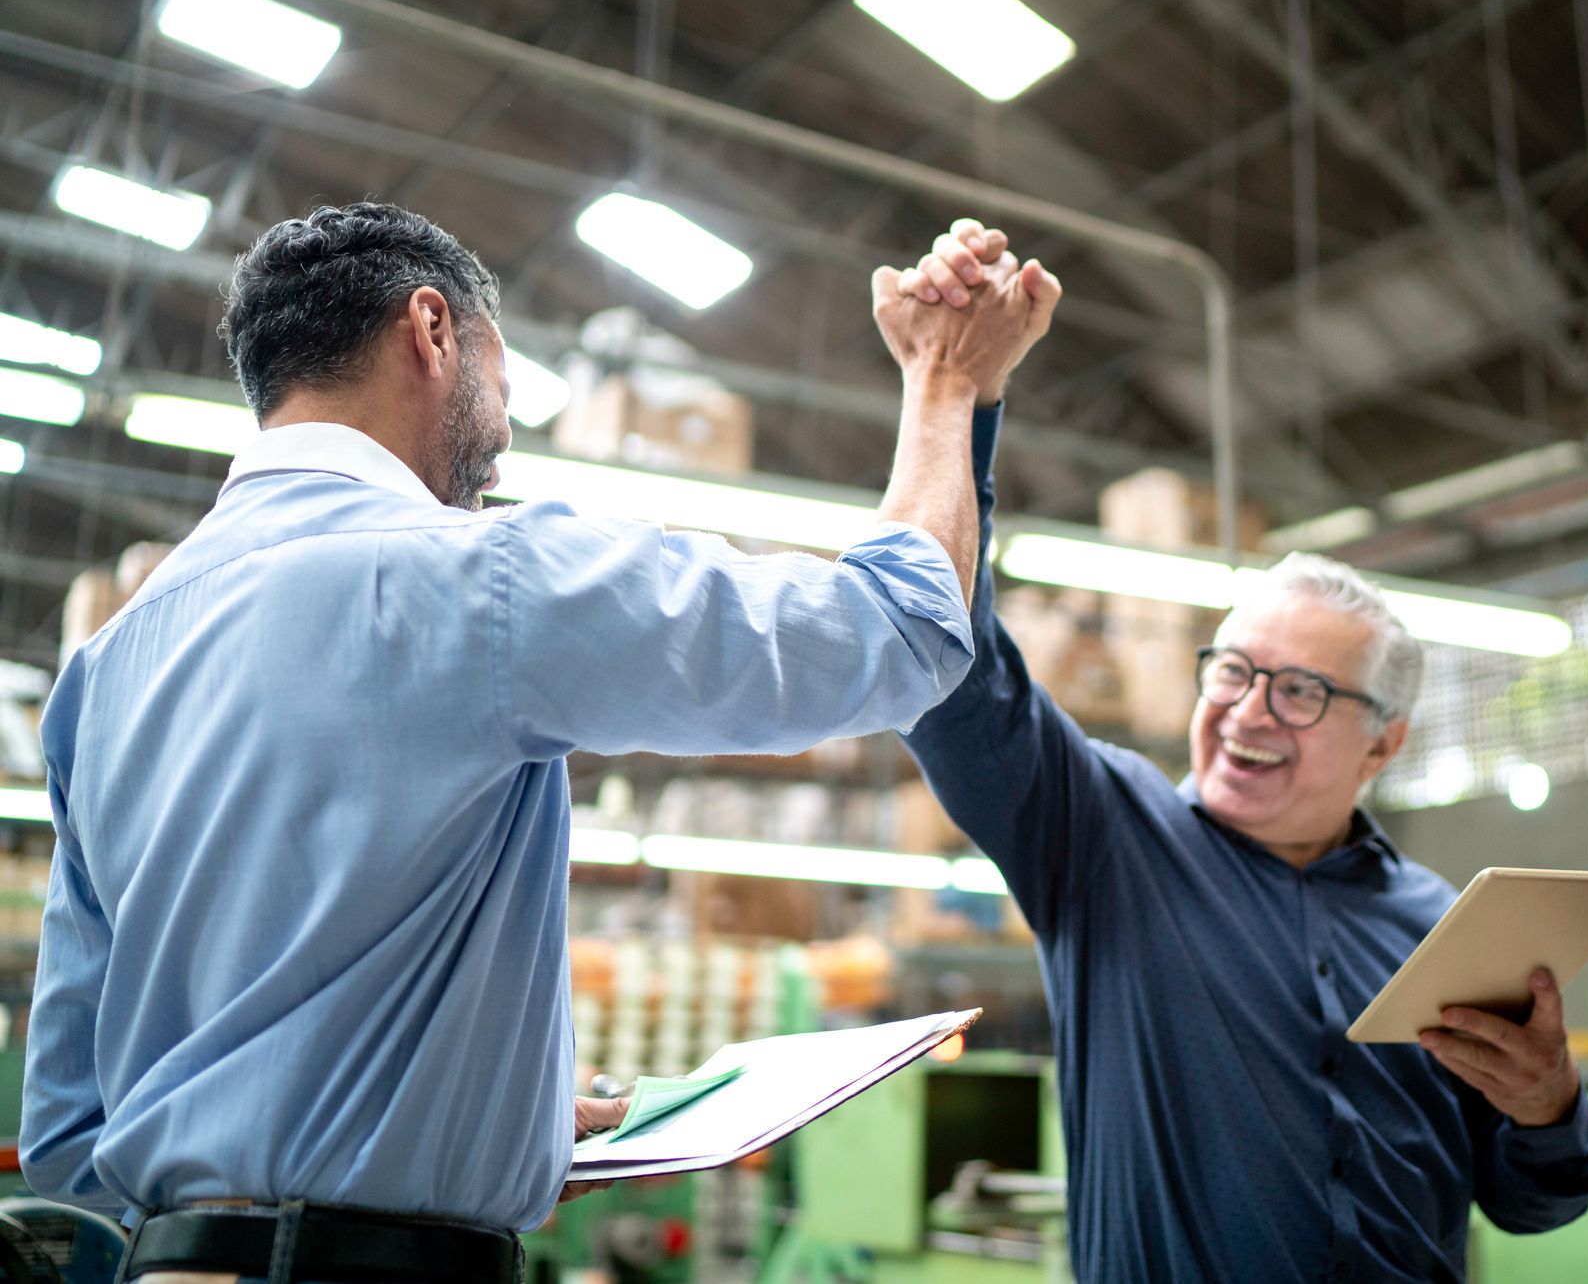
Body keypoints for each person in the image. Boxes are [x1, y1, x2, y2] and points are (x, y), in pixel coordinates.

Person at [23, 204, 1058, 1280]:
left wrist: (465, 1126)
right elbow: (899, 632)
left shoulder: (105, 671)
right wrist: (946, 382)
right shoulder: (481, 579)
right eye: (502, 385)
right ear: (432, 330)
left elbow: (66, 1130)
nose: (500, 439)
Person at [892, 225, 1588, 1283]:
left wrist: (1546, 1104)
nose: (1245, 711)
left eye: (1301, 690)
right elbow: (948, 670)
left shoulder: (1442, 931)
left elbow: (1536, 1207)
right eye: (1229, 669)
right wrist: (957, 392)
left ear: (1384, 743)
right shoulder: (1101, 841)